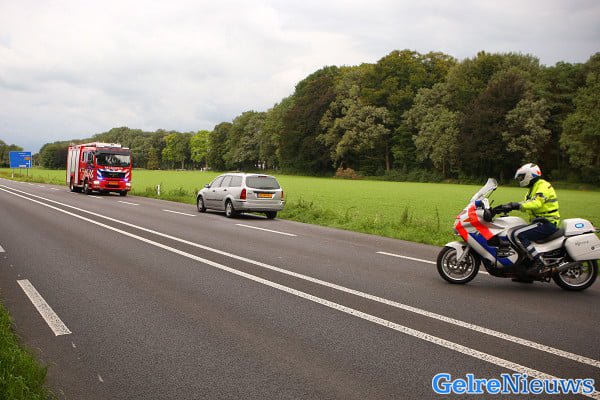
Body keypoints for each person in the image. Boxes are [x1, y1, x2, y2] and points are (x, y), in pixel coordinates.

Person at [497, 163, 560, 276]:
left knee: (518, 234)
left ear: (530, 175)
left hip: (547, 222)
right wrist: (508, 207)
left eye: (522, 177)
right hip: (539, 222)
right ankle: (524, 273)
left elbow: (536, 203)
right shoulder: (532, 189)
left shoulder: (543, 186)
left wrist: (516, 205)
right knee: (514, 230)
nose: (520, 180)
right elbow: (527, 205)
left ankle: (539, 262)